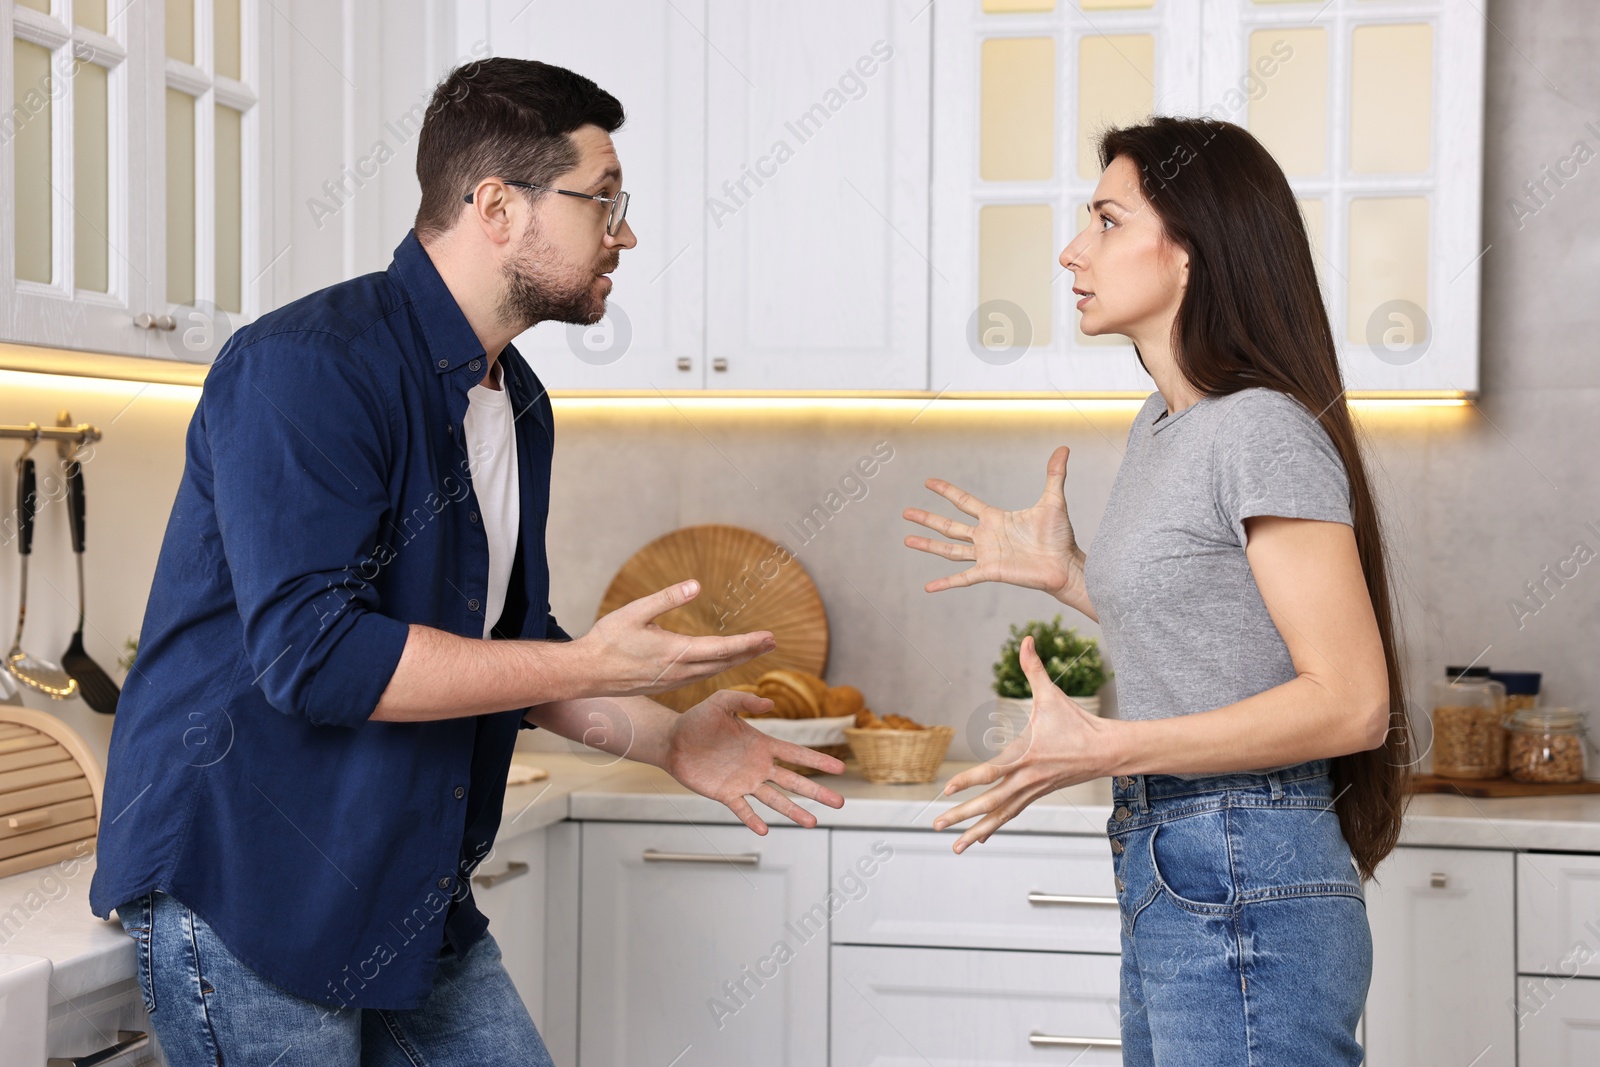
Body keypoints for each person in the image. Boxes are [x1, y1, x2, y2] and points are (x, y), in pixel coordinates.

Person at [89, 58, 844, 1067]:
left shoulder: (515, 400)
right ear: (496, 204)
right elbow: (316, 658)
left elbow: (509, 649)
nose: (624, 231)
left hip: (401, 886)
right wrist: (589, 667)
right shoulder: (309, 365)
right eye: (603, 199)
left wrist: (668, 739)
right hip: (253, 883)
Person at [905, 117, 1409, 1067]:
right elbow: (1225, 635)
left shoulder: (1258, 428)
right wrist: (1067, 574)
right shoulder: (1167, 423)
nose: (1072, 249)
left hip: (1243, 856)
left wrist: (1113, 744)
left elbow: (1352, 703)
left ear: (1191, 249)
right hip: (1177, 854)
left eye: (1104, 220)